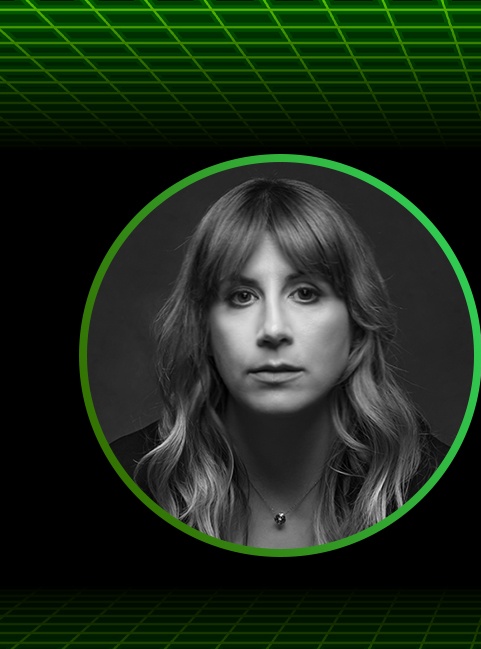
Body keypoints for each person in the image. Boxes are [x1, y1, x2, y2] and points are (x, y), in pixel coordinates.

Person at [111, 177, 446, 548]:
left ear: (356, 320)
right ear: (203, 327)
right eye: (241, 296)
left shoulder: (427, 479)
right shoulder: (132, 473)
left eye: (305, 293)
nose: (272, 329)